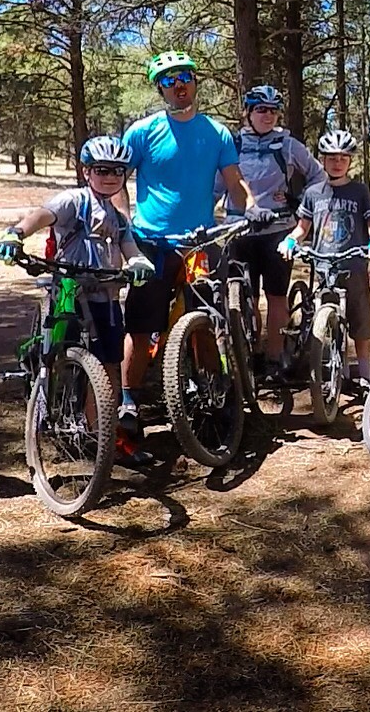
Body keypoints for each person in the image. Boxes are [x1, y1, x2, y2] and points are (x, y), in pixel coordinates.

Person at [0, 136, 156, 465]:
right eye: (102, 169)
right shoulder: (73, 201)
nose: (110, 176)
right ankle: (39, 416)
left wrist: (139, 262)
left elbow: (130, 248)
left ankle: (102, 436)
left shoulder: (119, 217)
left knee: (109, 367)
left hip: (106, 297)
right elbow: (41, 216)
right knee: (51, 358)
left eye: (118, 171)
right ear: (86, 172)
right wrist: (16, 234)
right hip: (70, 292)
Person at [116, 51, 247, 448]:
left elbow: (234, 183)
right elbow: (119, 179)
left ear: (194, 81)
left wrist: (246, 214)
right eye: (169, 80)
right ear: (160, 88)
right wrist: (124, 220)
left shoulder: (217, 133)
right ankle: (128, 403)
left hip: (199, 244)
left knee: (204, 325)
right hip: (151, 242)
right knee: (139, 329)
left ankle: (214, 395)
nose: (179, 85)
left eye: (185, 77)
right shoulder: (142, 132)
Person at [229, 84, 326, 377]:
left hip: (278, 229)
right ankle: (249, 354)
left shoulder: (288, 144)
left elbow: (318, 176)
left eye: (273, 111)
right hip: (239, 230)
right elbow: (216, 185)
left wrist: (301, 202)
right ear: (248, 113)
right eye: (261, 110)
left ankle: (274, 358)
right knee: (243, 296)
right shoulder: (232, 145)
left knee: (275, 296)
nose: (267, 116)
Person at [277, 129, 370, 388]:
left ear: (350, 161)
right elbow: (302, 228)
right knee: (324, 318)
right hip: (324, 267)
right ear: (322, 160)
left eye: (343, 158)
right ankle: (335, 368)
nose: (337, 163)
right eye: (331, 158)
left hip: (354, 266)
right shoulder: (314, 193)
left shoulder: (360, 191)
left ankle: (365, 375)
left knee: (360, 321)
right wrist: (290, 240)